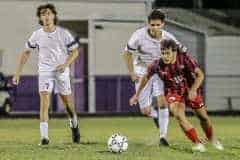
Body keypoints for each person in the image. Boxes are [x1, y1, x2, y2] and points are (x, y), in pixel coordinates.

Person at [130, 39, 223, 152]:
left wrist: (193, 90)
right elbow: (145, 78)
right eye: (163, 52)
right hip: (173, 91)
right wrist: (137, 95)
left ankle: (213, 140)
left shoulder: (185, 59)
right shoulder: (157, 65)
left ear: (174, 52)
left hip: (190, 89)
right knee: (178, 115)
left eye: (167, 53)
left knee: (203, 117)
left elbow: (200, 75)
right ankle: (197, 143)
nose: (165, 56)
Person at [12, 4, 80, 145]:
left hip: (61, 71)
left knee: (68, 105)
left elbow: (75, 52)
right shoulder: (37, 35)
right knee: (44, 102)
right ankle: (44, 138)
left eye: (48, 13)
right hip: (45, 71)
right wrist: (17, 73)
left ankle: (74, 125)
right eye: (43, 14)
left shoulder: (63, 33)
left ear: (54, 15)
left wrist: (65, 65)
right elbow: (26, 53)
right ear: (40, 18)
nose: (46, 16)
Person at [123, 9, 186, 146]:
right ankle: (156, 117)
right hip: (142, 71)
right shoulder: (138, 35)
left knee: (162, 101)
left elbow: (182, 52)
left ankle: (163, 137)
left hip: (160, 72)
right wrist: (132, 72)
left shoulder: (168, 38)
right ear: (148, 24)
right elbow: (127, 54)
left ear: (163, 24)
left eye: (158, 25)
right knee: (145, 110)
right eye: (152, 25)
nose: (155, 28)